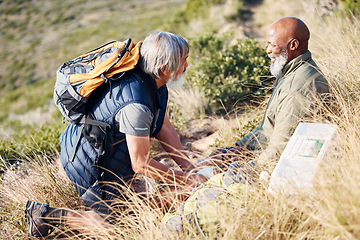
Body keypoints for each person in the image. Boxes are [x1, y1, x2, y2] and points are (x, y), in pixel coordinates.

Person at [25, 32, 207, 238]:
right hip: (87, 162)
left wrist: (192, 172)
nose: (187, 66)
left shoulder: (154, 82)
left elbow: (164, 128)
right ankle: (46, 215)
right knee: (123, 227)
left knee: (140, 208)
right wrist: (185, 180)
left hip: (105, 151)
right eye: (184, 60)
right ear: (165, 68)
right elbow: (141, 163)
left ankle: (120, 205)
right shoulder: (136, 105)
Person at [200, 16, 330, 169]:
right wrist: (239, 149)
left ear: (294, 45)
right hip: (263, 158)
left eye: (273, 45)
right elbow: (267, 127)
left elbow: (280, 150)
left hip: (275, 170)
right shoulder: (290, 70)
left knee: (201, 179)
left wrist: (241, 169)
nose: (268, 50)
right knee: (209, 162)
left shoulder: (297, 88)